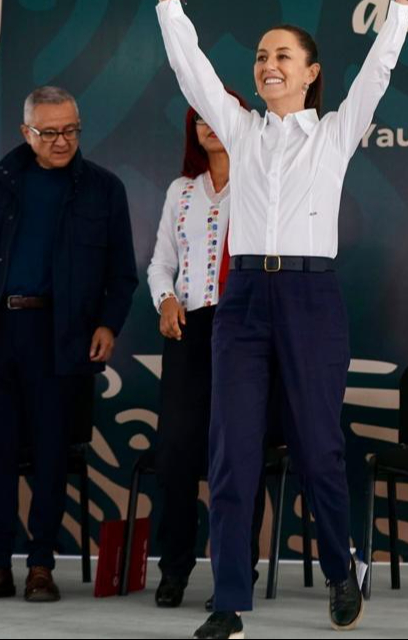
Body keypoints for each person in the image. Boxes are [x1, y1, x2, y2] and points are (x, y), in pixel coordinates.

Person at [154, 0, 408, 639]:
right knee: (232, 449)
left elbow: (380, 68)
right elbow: (189, 69)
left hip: (310, 298)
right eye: (260, 55)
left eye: (283, 55)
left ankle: (341, 568)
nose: (267, 63)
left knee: (317, 445)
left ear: (310, 71)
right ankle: (230, 600)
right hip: (242, 300)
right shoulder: (240, 131)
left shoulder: (337, 132)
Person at [0, 85, 137, 603]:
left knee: (53, 454)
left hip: (63, 338)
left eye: (71, 130)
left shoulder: (103, 189)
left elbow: (122, 274)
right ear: (25, 132)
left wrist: (109, 324)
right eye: (50, 132)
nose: (62, 141)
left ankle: (39, 566)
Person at [146, 99, 268, 608]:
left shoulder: (261, 183)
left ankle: (236, 569)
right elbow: (160, 263)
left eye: (221, 116)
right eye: (201, 119)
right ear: (193, 131)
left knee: (240, 456)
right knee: (175, 454)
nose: (211, 126)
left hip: (244, 330)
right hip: (189, 333)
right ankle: (174, 568)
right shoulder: (181, 192)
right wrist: (166, 297)